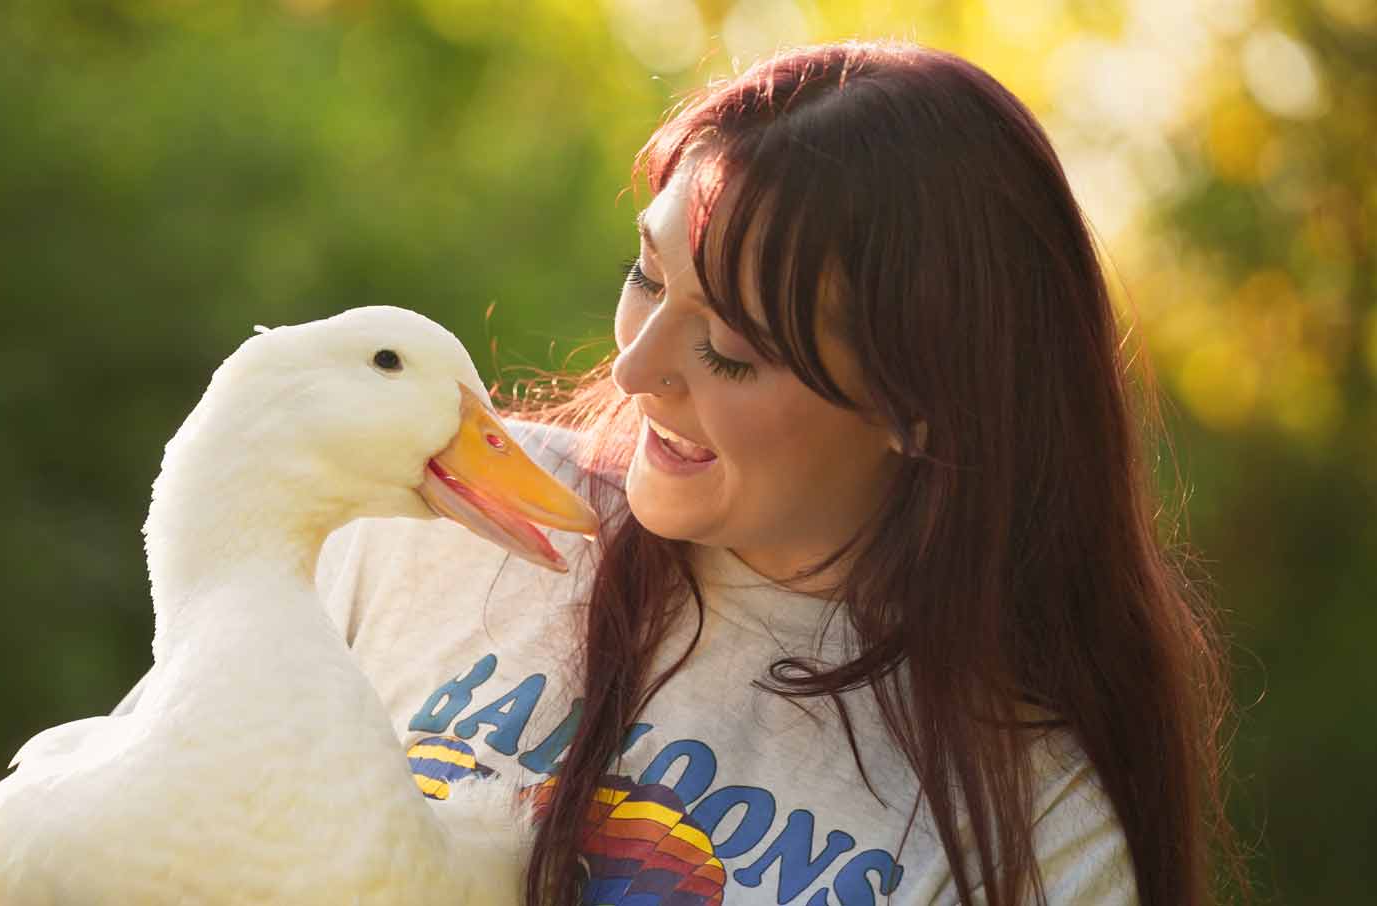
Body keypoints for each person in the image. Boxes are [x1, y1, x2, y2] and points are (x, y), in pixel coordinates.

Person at [316, 40, 1243, 906]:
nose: (637, 370)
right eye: (644, 276)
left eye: (727, 348)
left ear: (921, 407)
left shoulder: (1037, 830)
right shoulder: (426, 512)